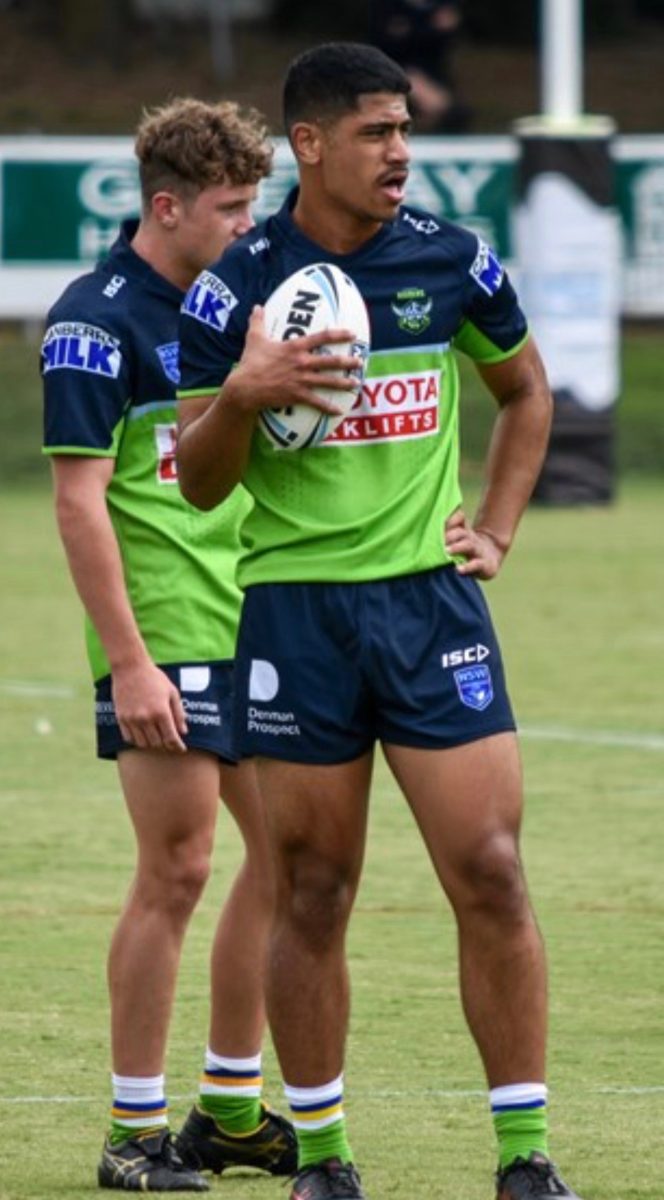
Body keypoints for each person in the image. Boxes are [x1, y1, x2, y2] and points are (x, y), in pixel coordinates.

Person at [175, 43, 583, 1200]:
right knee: (310, 886)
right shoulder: (234, 286)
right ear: (308, 145)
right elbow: (198, 482)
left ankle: (522, 1155)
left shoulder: (451, 259)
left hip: (428, 605)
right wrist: (245, 397)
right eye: (374, 131)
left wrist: (495, 526)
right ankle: (320, 1157)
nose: (399, 150)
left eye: (404, 129)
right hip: (294, 614)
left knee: (492, 871)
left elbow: (525, 391)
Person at [41, 97, 297, 1191]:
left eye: (254, 205)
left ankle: (228, 1110)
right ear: (166, 207)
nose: (248, 226)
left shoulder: (235, 303)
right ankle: (131, 1134)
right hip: (167, 633)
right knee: (179, 868)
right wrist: (130, 661)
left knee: (290, 863)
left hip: (260, 619)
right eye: (232, 209)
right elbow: (80, 504)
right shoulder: (93, 320)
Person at [369, 0, 471, 132]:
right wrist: (431, 28)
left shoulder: (442, 5)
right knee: (439, 107)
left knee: (454, 113)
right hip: (399, 70)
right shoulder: (388, 6)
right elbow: (387, 41)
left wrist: (410, 29)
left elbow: (445, 37)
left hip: (433, 71)